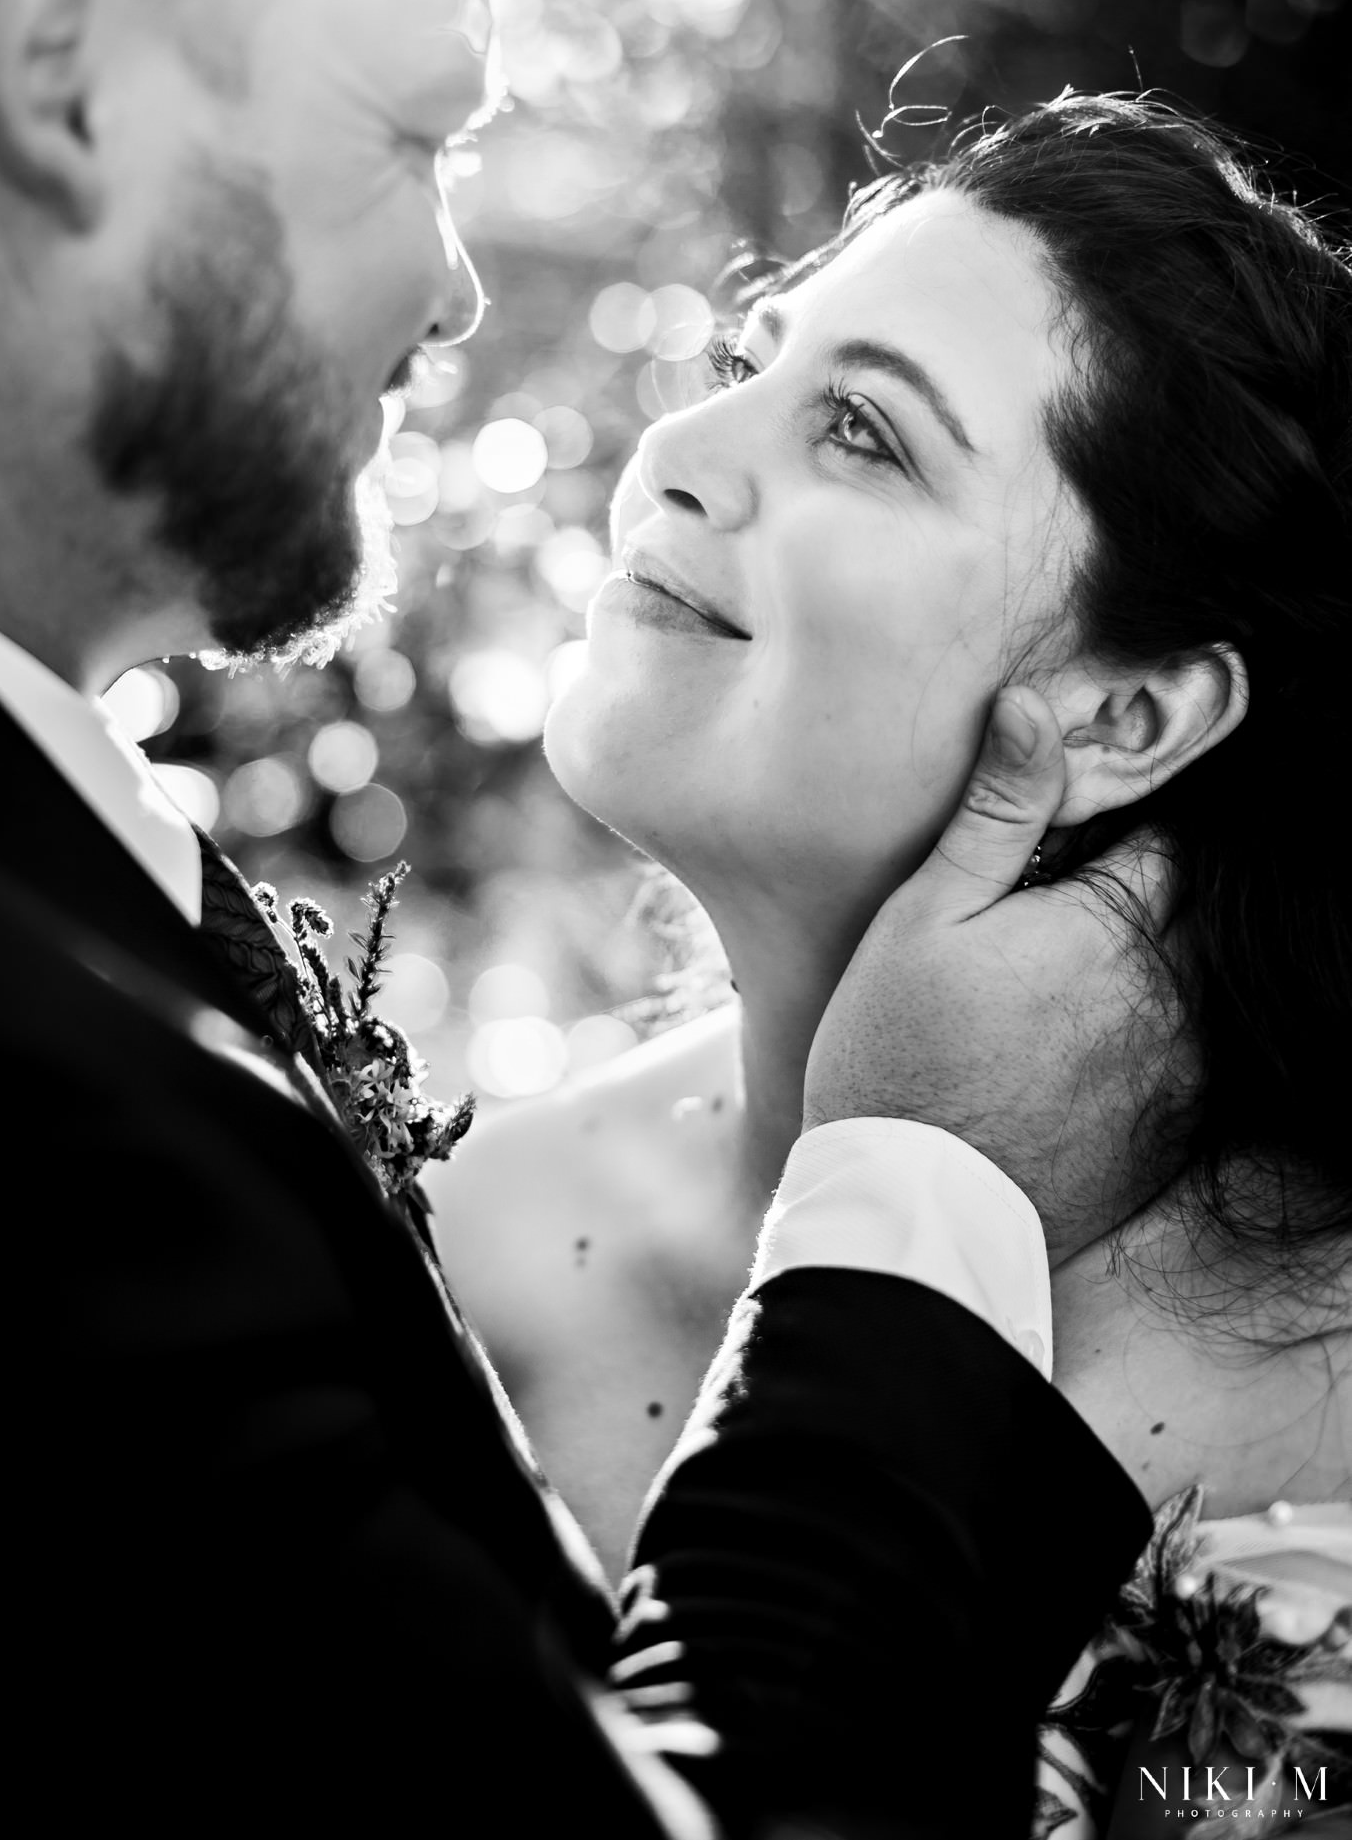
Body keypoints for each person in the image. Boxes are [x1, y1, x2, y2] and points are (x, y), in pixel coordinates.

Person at [0, 0, 1157, 1832]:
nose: (457, 281)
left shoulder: (29, 874)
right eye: (404, 131)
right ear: (63, 76)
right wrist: (914, 1191)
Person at [428, 94, 1352, 1828]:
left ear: (1123, 712)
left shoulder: (1325, 1415)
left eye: (859, 429)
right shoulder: (469, 1237)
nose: (678, 446)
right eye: (747, 360)